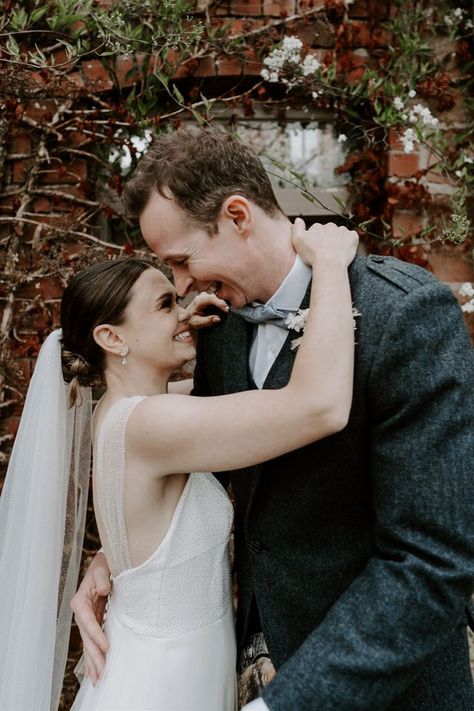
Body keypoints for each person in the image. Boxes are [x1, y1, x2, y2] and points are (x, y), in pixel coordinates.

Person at [72, 127, 474, 710]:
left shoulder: (404, 314)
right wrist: (117, 560)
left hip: (382, 690)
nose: (182, 288)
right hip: (238, 664)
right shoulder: (221, 327)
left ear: (237, 216)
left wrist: (285, 704)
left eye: (182, 261)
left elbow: (433, 562)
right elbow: (206, 468)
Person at [0, 221, 358, 711]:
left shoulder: (126, 410)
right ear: (111, 337)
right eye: (166, 305)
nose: (186, 314)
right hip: (166, 680)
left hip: (165, 658)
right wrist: (332, 266)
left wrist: (208, 333)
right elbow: (316, 406)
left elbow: (226, 401)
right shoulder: (152, 424)